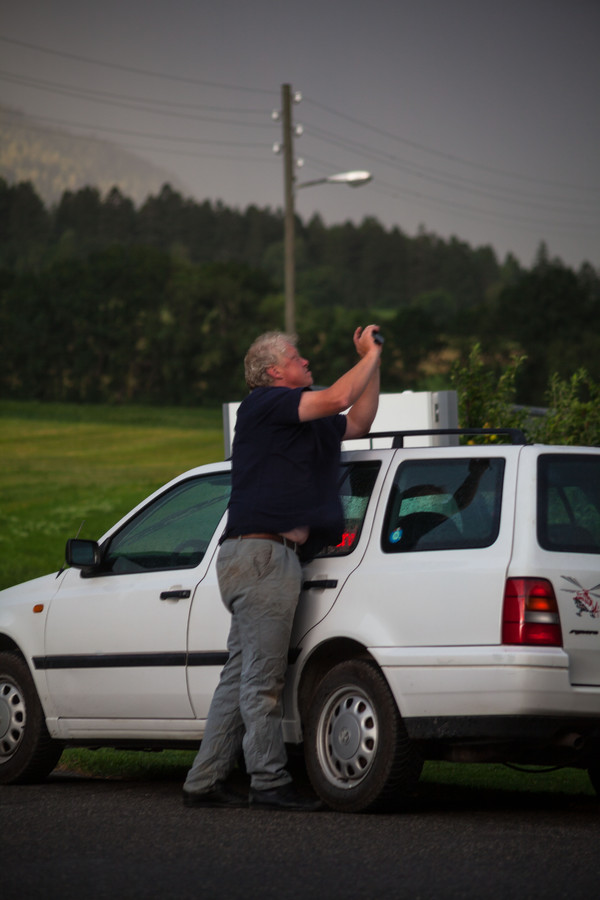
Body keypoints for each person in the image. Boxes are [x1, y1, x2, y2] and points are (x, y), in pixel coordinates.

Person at [183, 325, 382, 811]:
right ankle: (269, 782)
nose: (306, 362)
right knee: (263, 679)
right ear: (274, 371)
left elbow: (358, 422)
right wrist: (368, 353)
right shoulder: (265, 405)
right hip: (263, 558)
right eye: (298, 358)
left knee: (239, 675)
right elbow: (337, 397)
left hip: (258, 557)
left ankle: (204, 781)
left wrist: (375, 364)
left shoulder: (298, 421)